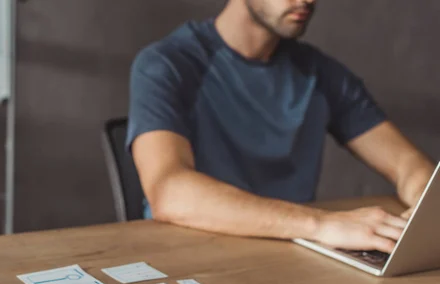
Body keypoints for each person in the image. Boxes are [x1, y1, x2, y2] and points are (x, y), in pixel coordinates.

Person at [126, 0, 435, 253]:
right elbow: (169, 192)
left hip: (290, 254)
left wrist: (427, 207)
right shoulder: (167, 64)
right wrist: (321, 225)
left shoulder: (320, 73)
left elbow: (407, 165)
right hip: (186, 257)